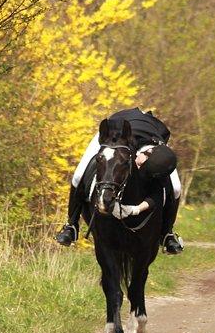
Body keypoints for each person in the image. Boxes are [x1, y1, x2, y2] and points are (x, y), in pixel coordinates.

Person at [55, 106, 185, 254]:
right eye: (140, 162)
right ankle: (71, 226)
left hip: (151, 133)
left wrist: (136, 209)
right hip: (112, 132)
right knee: (78, 175)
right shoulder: (125, 141)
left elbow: (156, 191)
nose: (139, 164)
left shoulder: (155, 149)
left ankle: (167, 234)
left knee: (176, 188)